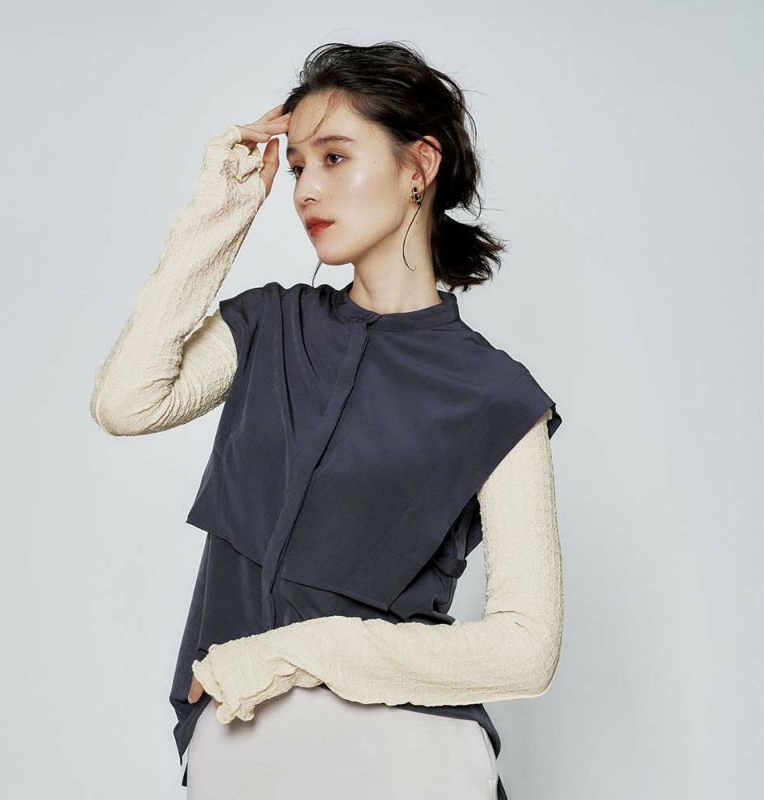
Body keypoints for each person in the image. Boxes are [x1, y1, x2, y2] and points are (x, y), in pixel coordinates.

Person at [90, 42, 563, 800]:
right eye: (298, 166)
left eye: (336, 158)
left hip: (413, 761)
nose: (307, 189)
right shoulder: (267, 327)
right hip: (245, 754)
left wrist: (295, 654)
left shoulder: (497, 395)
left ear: (419, 165)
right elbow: (127, 400)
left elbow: (526, 650)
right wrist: (222, 208)